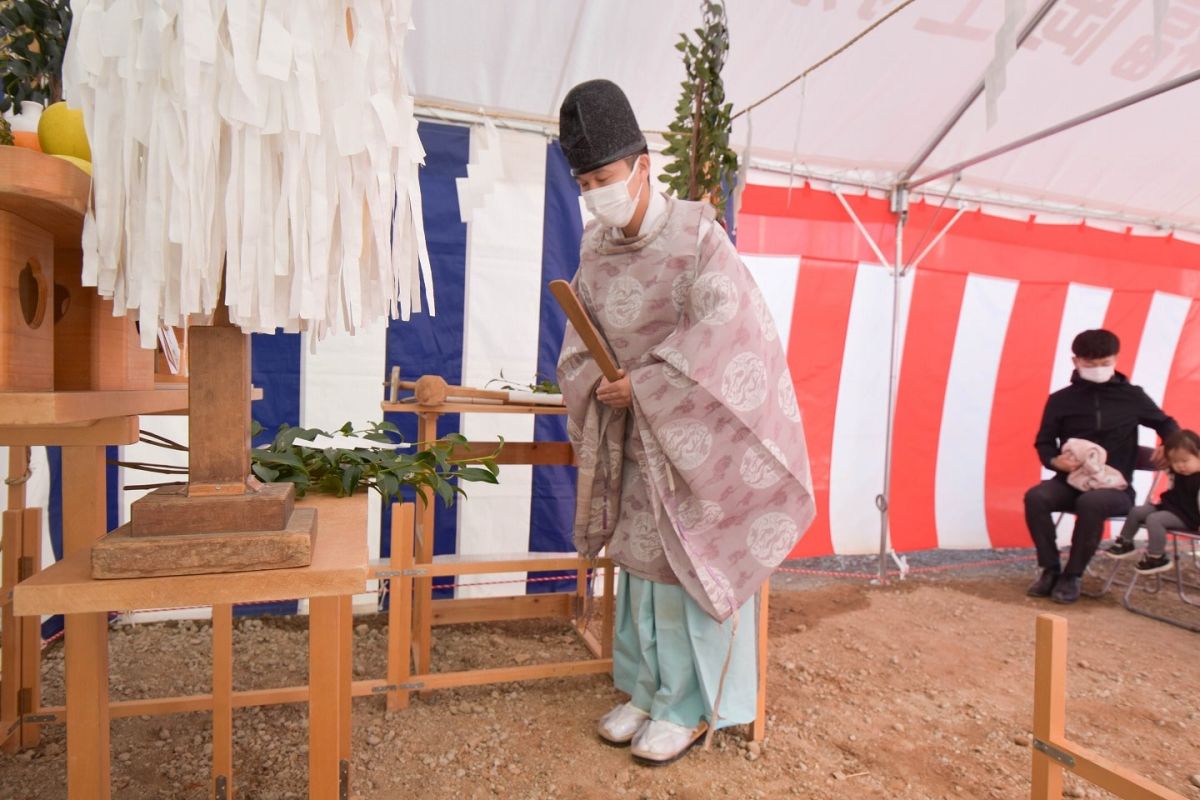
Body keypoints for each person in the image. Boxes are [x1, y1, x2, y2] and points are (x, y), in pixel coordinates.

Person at [555, 79, 815, 766]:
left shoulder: (700, 236)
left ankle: (691, 705)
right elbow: (578, 344)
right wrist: (600, 383)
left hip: (696, 437)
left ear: (642, 164)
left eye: (603, 177)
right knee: (639, 565)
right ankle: (646, 689)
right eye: (583, 181)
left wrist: (642, 384)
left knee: (684, 567)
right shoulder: (594, 246)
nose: (593, 193)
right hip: (634, 435)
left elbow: (731, 334)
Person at [1025, 329, 1179, 604]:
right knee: (1036, 497)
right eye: (1090, 364)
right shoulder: (1061, 399)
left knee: (1092, 503)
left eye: (1104, 363)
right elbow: (1044, 442)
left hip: (1114, 487)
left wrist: (1170, 444)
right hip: (1070, 481)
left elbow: (1166, 423)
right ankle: (1049, 570)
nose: (1098, 369)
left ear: (1116, 358)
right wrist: (1053, 461)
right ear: (1076, 361)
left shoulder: (1132, 396)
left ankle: (1072, 576)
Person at [1104, 429, 1200, 574]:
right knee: (1137, 511)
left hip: (1189, 516)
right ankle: (1125, 542)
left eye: (1185, 461)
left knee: (1155, 519)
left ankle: (1157, 557)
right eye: (1175, 462)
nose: (1180, 466)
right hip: (1170, 507)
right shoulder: (1176, 472)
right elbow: (1165, 454)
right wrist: (1165, 448)